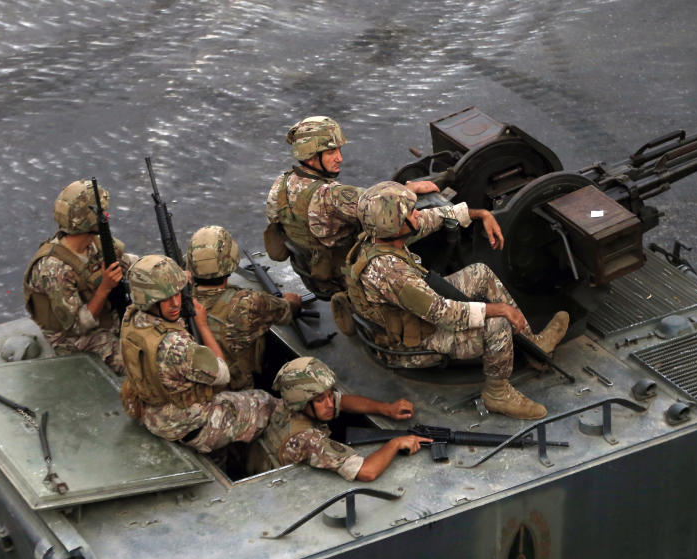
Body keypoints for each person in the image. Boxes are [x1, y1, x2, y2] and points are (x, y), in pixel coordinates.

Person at [345, 181, 569, 420]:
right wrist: (500, 310)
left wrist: (482, 214)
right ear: (395, 226)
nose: (417, 213)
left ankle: (534, 346)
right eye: (410, 212)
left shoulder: (379, 238)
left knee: (480, 274)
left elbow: (433, 217)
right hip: (412, 344)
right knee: (497, 324)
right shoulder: (392, 274)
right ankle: (497, 393)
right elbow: (445, 315)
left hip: (417, 315)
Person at [120, 254, 282, 454]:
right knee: (266, 403)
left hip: (153, 412)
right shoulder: (176, 347)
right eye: (166, 298)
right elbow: (222, 374)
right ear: (151, 301)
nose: (175, 303)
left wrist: (176, 280)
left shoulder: (132, 317)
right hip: (190, 426)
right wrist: (203, 325)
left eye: (177, 293)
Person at [264, 115, 438, 298]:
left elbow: (276, 220)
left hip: (310, 275)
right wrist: (409, 189)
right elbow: (384, 204)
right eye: (331, 152)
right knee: (405, 227)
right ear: (310, 158)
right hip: (344, 279)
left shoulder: (280, 184)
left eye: (339, 150)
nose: (339, 158)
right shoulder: (331, 196)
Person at [23, 179, 135, 375]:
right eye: (103, 214)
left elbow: (128, 263)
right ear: (88, 221)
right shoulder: (54, 269)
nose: (107, 216)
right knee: (136, 364)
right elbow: (76, 326)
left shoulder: (95, 244)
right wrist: (105, 288)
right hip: (72, 337)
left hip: (105, 317)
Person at [265, 357, 430, 482]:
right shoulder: (308, 440)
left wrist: (386, 408)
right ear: (302, 403)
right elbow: (367, 471)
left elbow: (342, 402)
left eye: (330, 394)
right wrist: (396, 443)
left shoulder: (287, 405)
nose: (330, 403)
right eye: (320, 400)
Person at [186, 225, 301, 390]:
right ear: (231, 259)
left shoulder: (179, 298)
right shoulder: (247, 303)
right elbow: (285, 312)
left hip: (197, 386)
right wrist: (292, 300)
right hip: (236, 393)